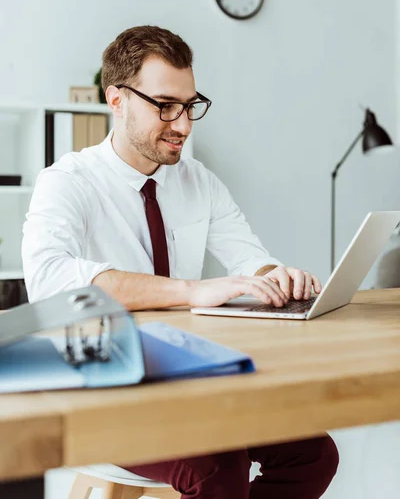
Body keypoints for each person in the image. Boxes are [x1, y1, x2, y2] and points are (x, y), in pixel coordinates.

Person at [22, 25, 339, 498]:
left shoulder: (198, 182)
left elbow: (248, 257)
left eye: (190, 106)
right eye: (165, 106)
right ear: (116, 99)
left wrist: (277, 277)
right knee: (217, 465)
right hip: (103, 392)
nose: (184, 124)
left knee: (315, 455)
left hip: (190, 379)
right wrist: (192, 291)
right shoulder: (67, 182)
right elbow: (49, 284)